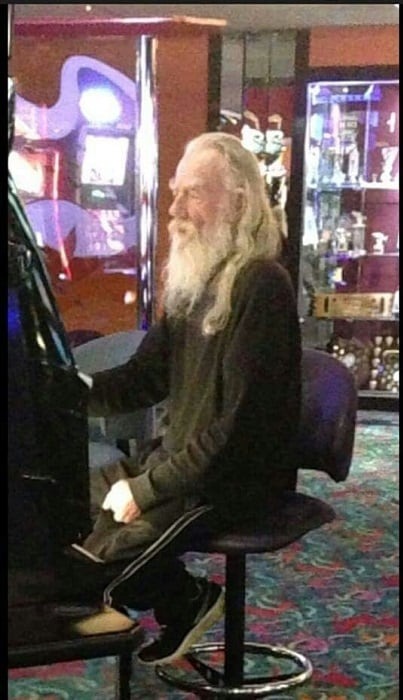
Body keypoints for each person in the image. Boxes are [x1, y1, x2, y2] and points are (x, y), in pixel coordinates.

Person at [62, 132, 302, 666]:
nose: (174, 209)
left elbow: (237, 435)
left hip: (233, 482)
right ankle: (185, 600)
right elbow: (142, 380)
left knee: (95, 573)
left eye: (193, 192)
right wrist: (67, 388)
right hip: (183, 467)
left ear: (238, 200)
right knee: (58, 510)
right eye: (175, 192)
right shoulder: (197, 279)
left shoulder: (262, 285)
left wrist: (145, 489)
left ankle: (183, 599)